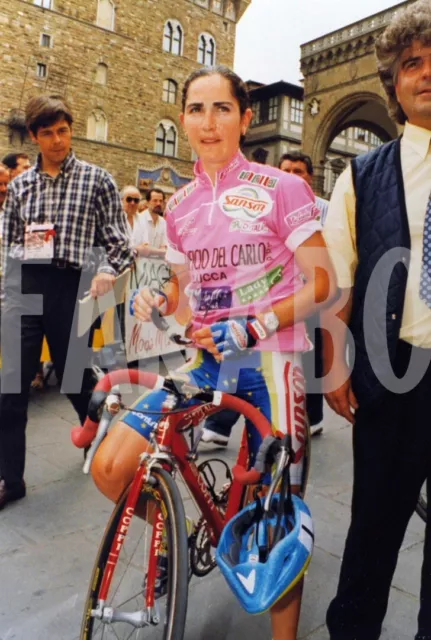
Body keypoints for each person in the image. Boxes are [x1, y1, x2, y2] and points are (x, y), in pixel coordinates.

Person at [90, 65, 336, 640]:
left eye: (222, 108)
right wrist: (161, 299)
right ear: (183, 120)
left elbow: (324, 282)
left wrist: (257, 324)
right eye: (196, 110)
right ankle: (183, 530)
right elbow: (184, 302)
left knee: (275, 522)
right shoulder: (177, 206)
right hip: (204, 361)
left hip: (271, 364)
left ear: (245, 119)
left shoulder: (285, 187)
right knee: (109, 467)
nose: (208, 122)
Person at [322, 2, 431, 638]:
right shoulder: (362, 176)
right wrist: (335, 363)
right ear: (393, 81)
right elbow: (339, 280)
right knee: (373, 531)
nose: (425, 73)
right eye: (412, 63)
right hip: (392, 377)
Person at [0, 94, 132, 510]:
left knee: (75, 382)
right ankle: (9, 479)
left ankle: (99, 431)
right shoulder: (20, 186)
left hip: (72, 287)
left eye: (63, 131)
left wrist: (108, 270)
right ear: (35, 136)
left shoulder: (98, 180)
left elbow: (119, 243)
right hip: (25, 287)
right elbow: (8, 246)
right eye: (47, 133)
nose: (57, 140)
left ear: (71, 130)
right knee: (8, 385)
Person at [201, 151, 328, 445]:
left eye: (299, 170)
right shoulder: (263, 202)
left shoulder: (323, 208)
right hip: (267, 294)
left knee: (308, 361)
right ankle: (221, 424)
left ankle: (312, 417)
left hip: (310, 293)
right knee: (244, 353)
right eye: (287, 169)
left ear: (310, 176)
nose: (293, 175)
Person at [120, 185, 149, 254]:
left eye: (136, 200)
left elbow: (145, 245)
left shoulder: (142, 219)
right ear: (121, 200)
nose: (132, 203)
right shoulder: (115, 218)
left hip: (138, 262)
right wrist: (137, 249)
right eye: (129, 199)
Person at [141, 188, 168, 257]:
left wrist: (162, 249)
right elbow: (144, 248)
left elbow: (164, 246)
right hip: (140, 263)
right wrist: (161, 251)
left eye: (161, 201)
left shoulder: (163, 222)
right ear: (147, 203)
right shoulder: (140, 219)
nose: (158, 203)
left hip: (158, 264)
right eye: (155, 201)